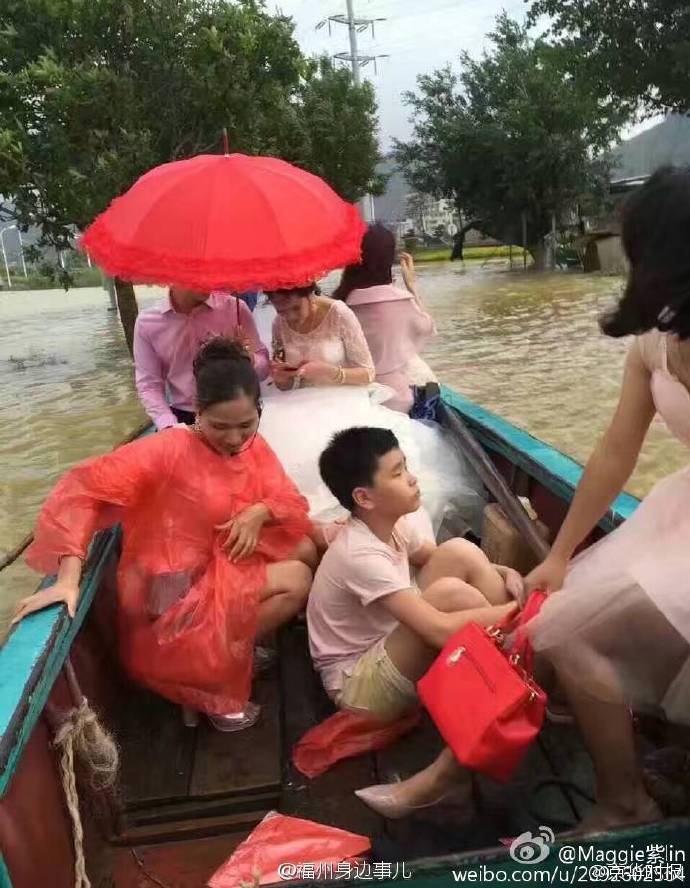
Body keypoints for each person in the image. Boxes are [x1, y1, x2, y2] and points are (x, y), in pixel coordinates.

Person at [13, 338, 314, 732]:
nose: (234, 439)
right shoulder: (167, 449)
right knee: (298, 578)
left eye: (245, 425)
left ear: (258, 412)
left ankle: (224, 651)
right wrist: (68, 578)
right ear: (197, 412)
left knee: (304, 545)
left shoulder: (251, 446)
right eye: (219, 426)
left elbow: (289, 499)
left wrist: (261, 511)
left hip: (215, 565)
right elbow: (82, 491)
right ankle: (206, 669)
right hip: (170, 589)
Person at [524, 167, 690, 831]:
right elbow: (616, 453)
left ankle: (629, 797)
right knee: (560, 619)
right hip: (682, 515)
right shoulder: (655, 339)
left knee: (574, 629)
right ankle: (627, 797)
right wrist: (560, 554)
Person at [307, 426, 518, 817]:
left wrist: (503, 572)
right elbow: (436, 628)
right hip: (357, 686)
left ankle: (514, 659)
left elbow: (441, 556)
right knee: (451, 599)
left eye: (406, 466)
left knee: (460, 551)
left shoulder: (390, 525)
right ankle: (513, 657)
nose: (413, 478)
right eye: (398, 472)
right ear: (364, 498)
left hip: (384, 644)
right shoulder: (360, 554)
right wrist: (520, 612)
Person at [261, 287, 485, 532]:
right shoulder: (278, 323)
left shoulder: (338, 313)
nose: (290, 317)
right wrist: (282, 378)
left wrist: (329, 372)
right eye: (279, 308)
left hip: (344, 399)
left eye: (294, 308)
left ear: (307, 293)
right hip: (297, 404)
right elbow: (286, 379)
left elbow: (367, 373)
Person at [333, 224, 437, 413]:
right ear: (388, 259)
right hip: (396, 401)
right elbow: (427, 327)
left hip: (350, 398)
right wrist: (412, 287)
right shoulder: (401, 301)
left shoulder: (338, 303)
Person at [133, 288, 269, 429]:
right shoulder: (148, 323)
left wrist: (250, 359)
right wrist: (168, 424)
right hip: (182, 416)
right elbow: (149, 384)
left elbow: (264, 371)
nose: (208, 282)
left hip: (234, 415)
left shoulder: (235, 309)